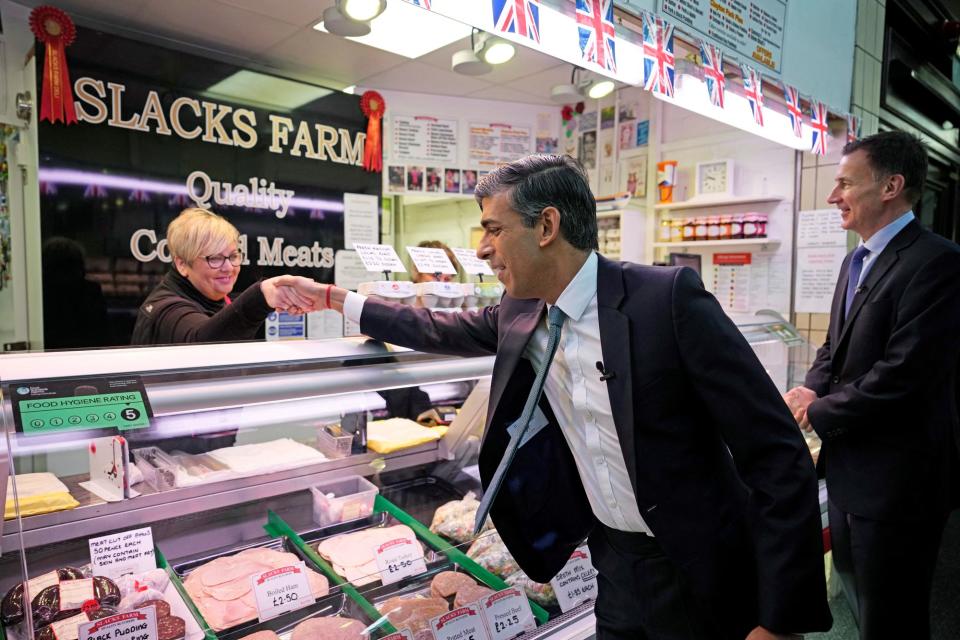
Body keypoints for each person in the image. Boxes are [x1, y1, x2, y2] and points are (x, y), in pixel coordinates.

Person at [291, 155, 831, 639]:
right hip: (613, 563)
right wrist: (338, 299)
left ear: (546, 226)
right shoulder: (522, 311)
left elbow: (776, 453)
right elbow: (438, 327)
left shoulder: (665, 301)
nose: (481, 249)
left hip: (701, 565)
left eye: (494, 230)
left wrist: (780, 619)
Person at [784, 131, 960, 640]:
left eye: (844, 183)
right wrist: (809, 388)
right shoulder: (855, 258)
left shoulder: (938, 262)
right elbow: (832, 349)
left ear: (891, 186)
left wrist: (818, 414)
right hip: (848, 472)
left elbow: (905, 375)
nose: (832, 195)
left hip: (899, 482)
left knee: (894, 614)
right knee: (861, 600)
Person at [131, 207, 312, 345]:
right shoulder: (166, 309)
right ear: (182, 264)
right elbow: (201, 342)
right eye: (215, 258)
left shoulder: (217, 297)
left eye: (233, 256)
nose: (228, 267)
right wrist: (260, 298)